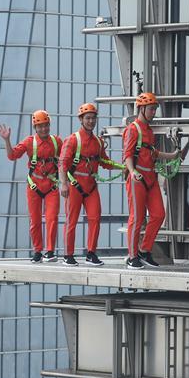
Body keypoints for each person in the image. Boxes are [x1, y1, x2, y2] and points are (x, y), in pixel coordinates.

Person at [123, 92, 188, 270]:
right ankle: (132, 256)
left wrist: (172, 155)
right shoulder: (132, 129)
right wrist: (132, 171)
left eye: (154, 109)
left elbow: (153, 153)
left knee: (159, 215)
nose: (153, 112)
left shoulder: (149, 131)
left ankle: (144, 251)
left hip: (150, 177)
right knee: (136, 218)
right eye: (151, 109)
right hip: (137, 178)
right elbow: (128, 155)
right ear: (141, 108)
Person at [0, 110, 62, 263]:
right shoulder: (29, 142)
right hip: (34, 186)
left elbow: (67, 157)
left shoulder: (56, 141)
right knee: (35, 220)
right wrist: (7, 140)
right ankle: (37, 251)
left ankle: (50, 251)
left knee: (52, 218)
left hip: (51, 185)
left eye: (46, 125)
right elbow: (12, 156)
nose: (44, 129)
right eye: (40, 126)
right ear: (35, 127)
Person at [58, 102, 119, 267]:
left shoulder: (98, 142)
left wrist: (124, 167)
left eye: (93, 118)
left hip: (91, 186)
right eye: (88, 118)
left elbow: (105, 162)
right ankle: (68, 255)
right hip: (75, 184)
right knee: (72, 220)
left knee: (95, 218)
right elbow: (62, 163)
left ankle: (91, 253)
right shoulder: (72, 140)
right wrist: (63, 184)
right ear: (81, 119)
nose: (91, 121)